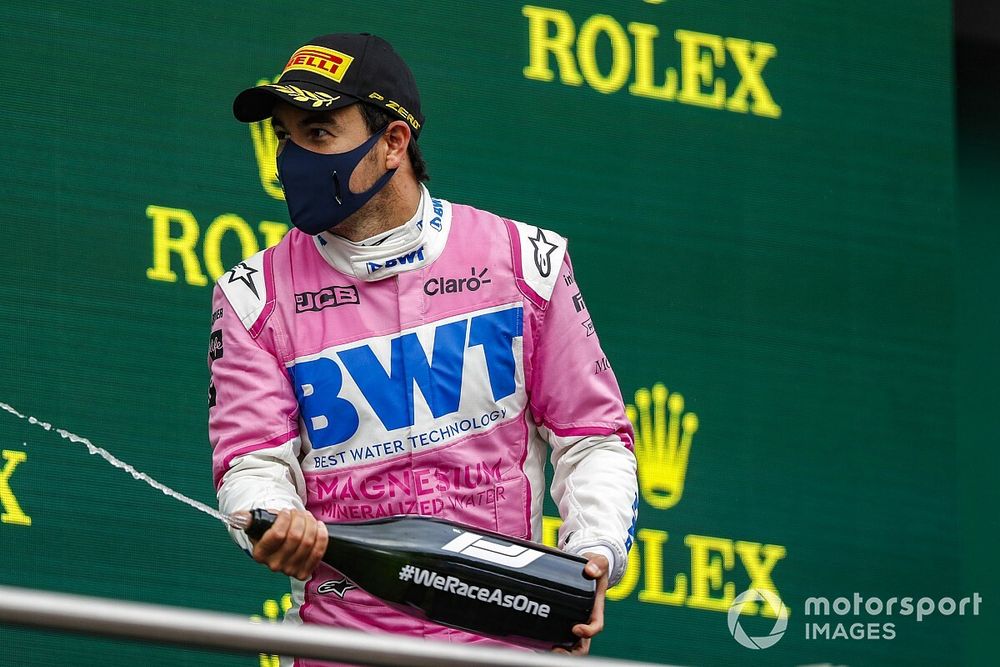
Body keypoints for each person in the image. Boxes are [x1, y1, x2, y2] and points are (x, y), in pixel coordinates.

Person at [209, 32, 638, 665]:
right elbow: (251, 465)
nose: (290, 158)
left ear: (393, 142)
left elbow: (592, 436)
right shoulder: (251, 296)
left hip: (507, 642)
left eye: (318, 133)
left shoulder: (526, 262)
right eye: (284, 136)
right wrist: (272, 517)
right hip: (343, 646)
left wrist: (592, 557)